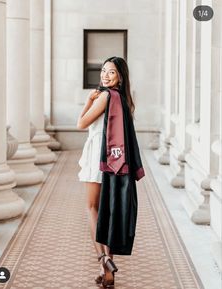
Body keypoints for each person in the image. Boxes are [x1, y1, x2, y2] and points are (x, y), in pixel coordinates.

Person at [77, 56, 144, 287]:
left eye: (111, 72)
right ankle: (107, 270)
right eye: (103, 70)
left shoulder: (105, 96)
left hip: (99, 154)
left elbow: (81, 123)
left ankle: (104, 259)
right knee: (105, 211)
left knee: (92, 207)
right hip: (112, 157)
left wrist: (87, 101)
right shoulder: (123, 99)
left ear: (120, 77)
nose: (105, 75)